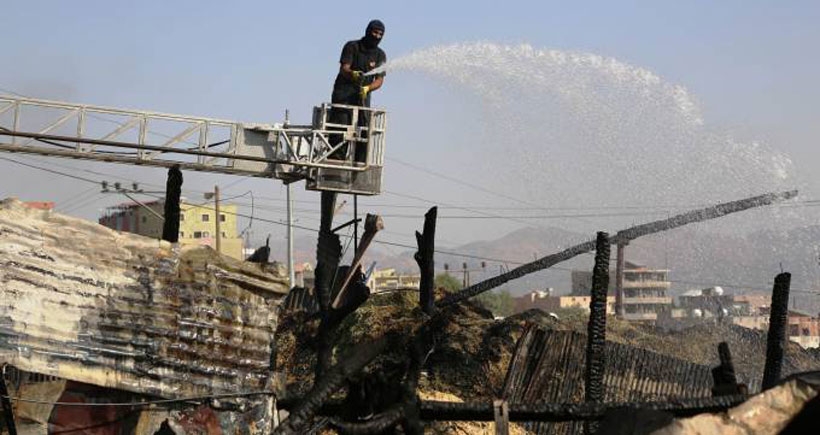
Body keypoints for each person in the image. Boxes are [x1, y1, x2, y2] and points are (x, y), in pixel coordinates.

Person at [328, 20, 386, 162]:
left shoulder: (380, 55)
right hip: (344, 97)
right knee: (340, 131)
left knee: (363, 133)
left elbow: (379, 81)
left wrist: (368, 88)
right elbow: (344, 68)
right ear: (368, 31)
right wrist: (352, 74)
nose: (377, 36)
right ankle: (335, 163)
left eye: (380, 34)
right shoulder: (352, 46)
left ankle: (359, 167)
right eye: (375, 32)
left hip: (362, 100)